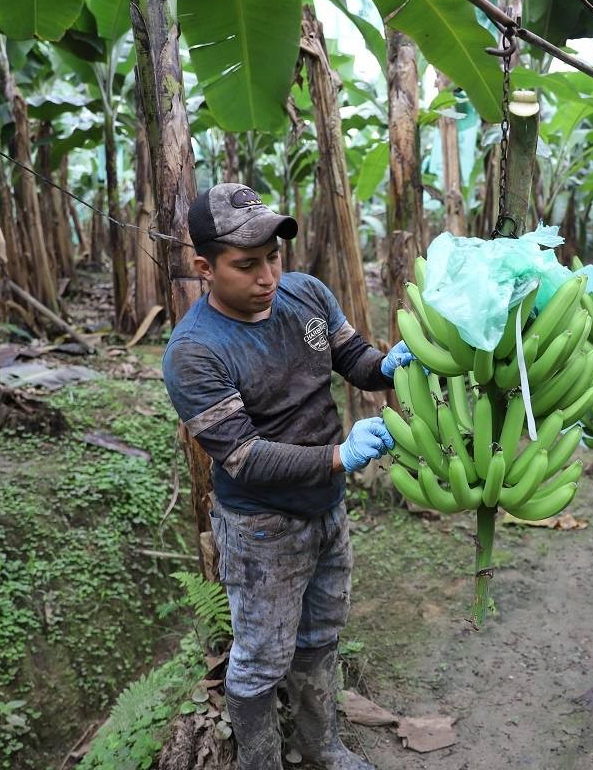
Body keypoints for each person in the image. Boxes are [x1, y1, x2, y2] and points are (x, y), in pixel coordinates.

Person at [162, 183, 414, 770]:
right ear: (205, 267)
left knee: (321, 633)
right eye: (246, 265)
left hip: (327, 509)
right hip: (261, 529)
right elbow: (243, 456)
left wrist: (392, 364)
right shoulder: (194, 352)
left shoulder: (308, 295)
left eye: (274, 257)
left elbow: (356, 361)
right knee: (260, 658)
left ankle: (321, 745)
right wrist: (338, 457)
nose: (267, 276)